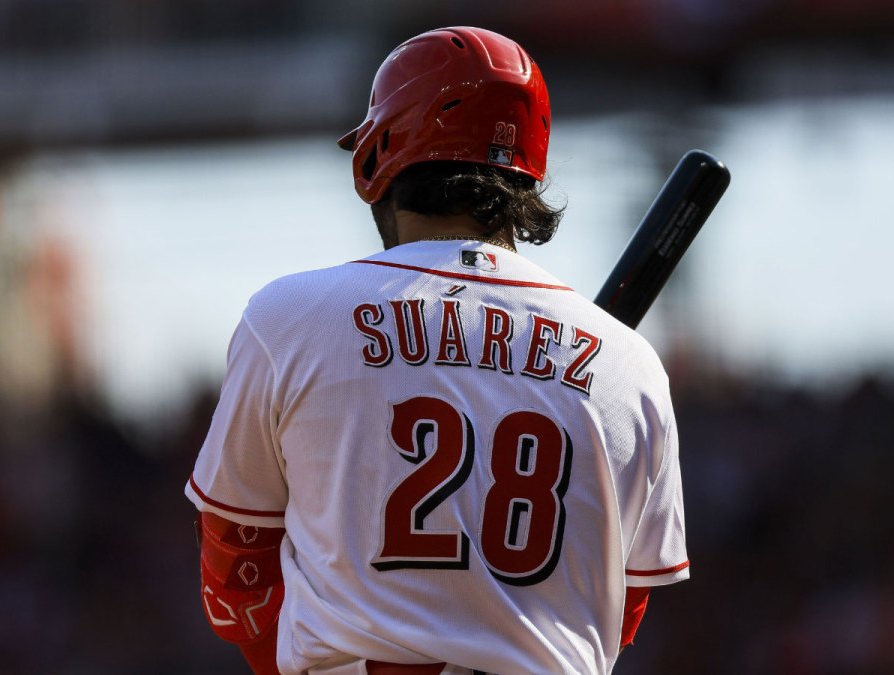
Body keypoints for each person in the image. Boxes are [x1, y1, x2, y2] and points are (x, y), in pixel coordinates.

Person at [185, 26, 689, 675]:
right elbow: (623, 610)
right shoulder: (629, 362)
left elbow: (235, 582)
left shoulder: (287, 318)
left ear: (376, 160)